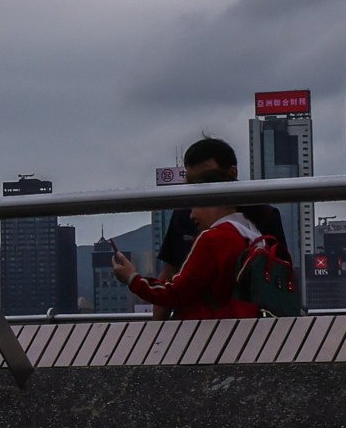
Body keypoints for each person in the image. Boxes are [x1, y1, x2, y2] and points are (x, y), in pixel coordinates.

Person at [106, 135, 296, 321]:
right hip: (245, 326)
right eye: (191, 184)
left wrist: (132, 278)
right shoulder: (247, 228)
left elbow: (175, 290)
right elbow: (170, 272)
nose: (192, 210)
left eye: (204, 184)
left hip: (205, 330)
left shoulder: (232, 229)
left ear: (230, 175)